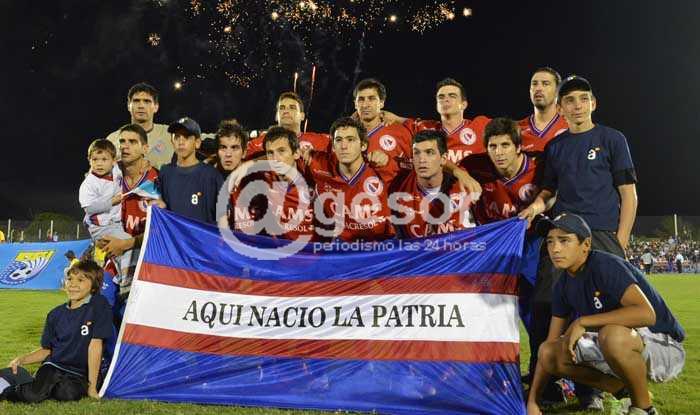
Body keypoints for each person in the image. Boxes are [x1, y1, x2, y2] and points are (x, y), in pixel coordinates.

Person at [527, 213, 685, 415]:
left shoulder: (605, 265)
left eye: (564, 240)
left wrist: (583, 322)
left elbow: (647, 314)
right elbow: (548, 346)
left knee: (612, 335)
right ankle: (621, 389)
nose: (555, 249)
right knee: (550, 353)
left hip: (664, 346)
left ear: (585, 245)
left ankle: (644, 409)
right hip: (619, 341)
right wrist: (533, 401)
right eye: (550, 241)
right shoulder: (562, 284)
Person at [520, 75, 638, 256]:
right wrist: (533, 209)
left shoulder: (613, 139)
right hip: (564, 232)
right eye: (570, 100)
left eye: (584, 99)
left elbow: (629, 195)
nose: (577, 106)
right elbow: (549, 193)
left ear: (593, 103)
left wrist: (620, 241)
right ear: (559, 109)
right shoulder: (554, 146)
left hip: (602, 233)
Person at [0, 260, 115, 402]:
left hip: (80, 373)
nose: (72, 284)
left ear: (93, 286)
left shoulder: (99, 305)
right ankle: (6, 387)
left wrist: (92, 387)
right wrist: (22, 360)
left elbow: (95, 345)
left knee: (66, 394)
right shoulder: (55, 314)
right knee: (35, 395)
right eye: (70, 279)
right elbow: (47, 350)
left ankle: (35, 383)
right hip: (54, 366)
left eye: (80, 280)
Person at [306, 116, 396, 242]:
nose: (344, 146)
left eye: (350, 140)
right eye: (338, 140)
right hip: (343, 244)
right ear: (333, 146)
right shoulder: (318, 165)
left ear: (363, 145)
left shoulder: (382, 168)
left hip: (381, 244)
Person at [230, 127, 315, 240]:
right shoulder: (263, 176)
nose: (275, 159)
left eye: (281, 151)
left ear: (296, 153)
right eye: (270, 153)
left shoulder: (313, 174)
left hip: (313, 249)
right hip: (277, 248)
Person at [389, 129, 473, 238]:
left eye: (429, 152)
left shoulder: (464, 183)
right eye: (416, 153)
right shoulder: (400, 188)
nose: (422, 159)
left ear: (443, 158)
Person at [78, 139, 135, 284]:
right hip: (101, 227)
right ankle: (126, 280)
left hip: (115, 223)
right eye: (95, 159)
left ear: (113, 161)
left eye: (104, 159)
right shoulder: (89, 183)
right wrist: (112, 202)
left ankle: (119, 278)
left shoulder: (116, 170)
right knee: (126, 242)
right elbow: (89, 208)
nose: (99, 163)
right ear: (89, 160)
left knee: (118, 251)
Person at [159, 117, 224, 224]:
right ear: (172, 141)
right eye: (177, 137)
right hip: (174, 234)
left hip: (201, 234)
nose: (181, 142)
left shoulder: (212, 175)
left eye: (187, 136)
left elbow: (222, 217)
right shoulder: (165, 172)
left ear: (197, 142)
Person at [353, 78, 414, 177]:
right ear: (355, 104)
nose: (365, 105)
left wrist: (388, 163)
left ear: (381, 103)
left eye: (371, 99)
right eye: (361, 99)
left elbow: (413, 169)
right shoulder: (344, 134)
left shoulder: (400, 132)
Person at [105, 82, 172, 169]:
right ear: (128, 106)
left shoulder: (170, 134)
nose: (141, 106)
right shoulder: (113, 139)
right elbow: (95, 173)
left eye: (147, 101)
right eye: (136, 101)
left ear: (156, 107)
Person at [245, 92, 330, 160]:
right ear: (276, 116)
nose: (286, 111)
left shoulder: (322, 141)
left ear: (302, 116)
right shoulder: (256, 145)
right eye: (282, 108)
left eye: (292, 108)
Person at [519, 67, 569, 153]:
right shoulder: (516, 129)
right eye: (534, 84)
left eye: (545, 84)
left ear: (558, 91)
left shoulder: (570, 126)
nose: (538, 88)